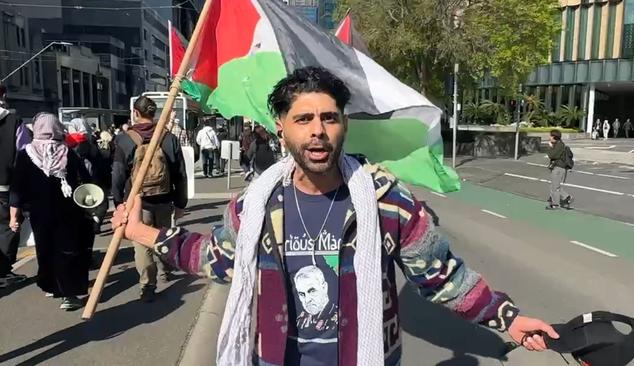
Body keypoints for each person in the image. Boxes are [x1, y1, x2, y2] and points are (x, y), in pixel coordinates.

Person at [113, 67, 558, 365]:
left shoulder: (387, 200)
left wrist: (508, 319)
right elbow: (217, 258)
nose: (318, 131)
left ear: (344, 124)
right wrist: (139, 230)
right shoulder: (258, 204)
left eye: (329, 118)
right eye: (304, 119)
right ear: (281, 127)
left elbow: (442, 276)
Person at [9, 113, 94, 310]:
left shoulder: (26, 154)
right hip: (68, 212)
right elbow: (86, 179)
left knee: (45, 250)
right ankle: (68, 295)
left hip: (38, 214)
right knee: (67, 250)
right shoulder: (67, 152)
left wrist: (14, 216)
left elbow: (17, 187)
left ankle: (51, 285)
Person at [112, 96, 188, 302]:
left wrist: (119, 201)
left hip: (137, 201)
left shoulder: (125, 139)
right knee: (162, 235)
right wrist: (181, 203)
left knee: (141, 243)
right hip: (164, 199)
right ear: (154, 114)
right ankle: (165, 269)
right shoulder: (168, 138)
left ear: (135, 113)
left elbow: (118, 173)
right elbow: (180, 173)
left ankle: (148, 285)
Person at [0, 84, 27, 289]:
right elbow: (23, 155)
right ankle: (3, 271)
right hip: (6, 185)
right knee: (9, 225)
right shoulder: (13, 122)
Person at [546, 129, 573, 210]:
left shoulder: (559, 145)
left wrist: (550, 147)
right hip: (558, 167)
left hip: (558, 168)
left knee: (555, 187)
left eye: (550, 135)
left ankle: (555, 204)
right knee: (555, 185)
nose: (549, 137)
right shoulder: (558, 144)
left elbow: (552, 155)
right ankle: (566, 197)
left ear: (554, 137)